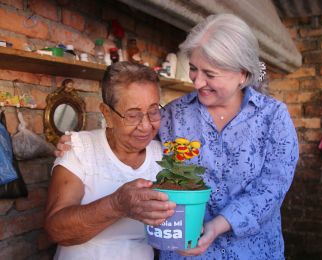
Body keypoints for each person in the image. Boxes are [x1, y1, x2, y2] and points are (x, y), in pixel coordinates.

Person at [56, 13, 299, 260]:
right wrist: (83, 144)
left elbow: (272, 188)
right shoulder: (173, 114)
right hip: (184, 252)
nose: (197, 82)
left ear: (243, 75)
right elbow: (133, 138)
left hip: (253, 251)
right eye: (193, 69)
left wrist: (217, 226)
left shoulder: (273, 117)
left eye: (210, 74)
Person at [44, 62, 176, 260]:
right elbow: (56, 231)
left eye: (154, 110)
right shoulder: (79, 148)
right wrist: (117, 205)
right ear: (107, 114)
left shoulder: (163, 156)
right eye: (133, 114)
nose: (146, 125)